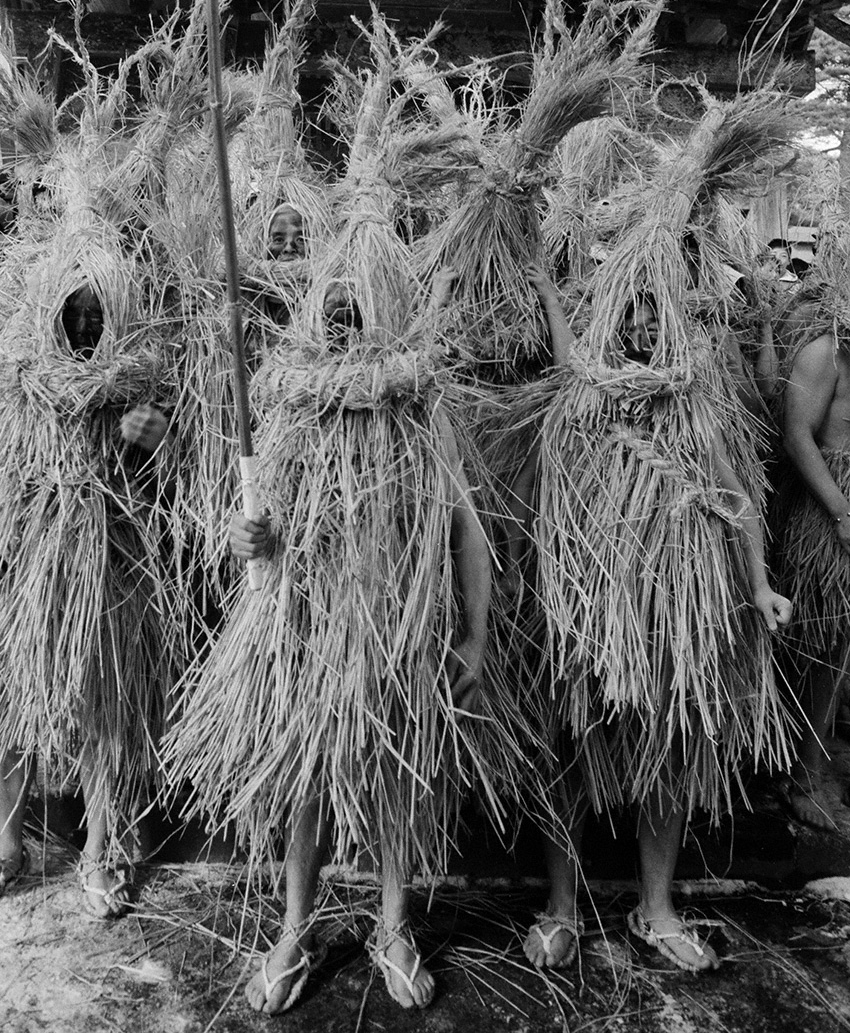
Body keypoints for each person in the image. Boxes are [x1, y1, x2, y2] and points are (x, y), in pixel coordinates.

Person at [168, 272, 497, 1015]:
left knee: (397, 779)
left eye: (361, 312)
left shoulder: (422, 414)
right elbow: (256, 531)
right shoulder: (294, 409)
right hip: (313, 633)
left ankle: (392, 926)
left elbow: (465, 531)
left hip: (401, 634)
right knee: (308, 780)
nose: (349, 327)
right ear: (320, 318)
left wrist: (474, 637)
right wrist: (246, 535)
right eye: (337, 313)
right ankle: (296, 927)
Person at [511, 266, 792, 975]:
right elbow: (573, 360)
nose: (640, 330)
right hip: (591, 608)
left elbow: (738, 501)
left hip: (676, 616)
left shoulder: (693, 409)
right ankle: (562, 905)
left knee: (670, 749)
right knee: (570, 748)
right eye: (629, 317)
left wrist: (759, 585)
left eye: (650, 318)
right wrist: (550, 291)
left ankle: (655, 909)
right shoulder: (585, 398)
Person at [0, 282, 173, 916]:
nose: (82, 326)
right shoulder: (25, 385)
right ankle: (8, 838)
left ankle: (98, 852)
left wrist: (156, 439)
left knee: (108, 708)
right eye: (72, 314)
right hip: (36, 557)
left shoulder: (140, 381)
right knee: (15, 699)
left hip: (113, 561)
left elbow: (184, 484)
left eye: (96, 314)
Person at [778, 330, 850, 827]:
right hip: (831, 512)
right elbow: (796, 434)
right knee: (825, 642)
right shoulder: (825, 354)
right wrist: (841, 511)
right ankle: (804, 773)